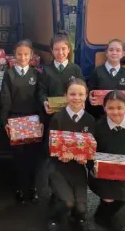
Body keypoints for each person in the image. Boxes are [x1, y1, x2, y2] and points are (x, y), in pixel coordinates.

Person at [88, 90, 125, 231]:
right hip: (102, 174)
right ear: (104, 108)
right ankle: (102, 217)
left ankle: (102, 215)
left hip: (124, 172)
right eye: (111, 108)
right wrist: (92, 167)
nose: (115, 112)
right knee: (109, 200)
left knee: (122, 199)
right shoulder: (99, 126)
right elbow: (90, 151)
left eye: (120, 108)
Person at [47, 78, 96, 231]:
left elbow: (91, 149)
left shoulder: (90, 120)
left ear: (86, 95)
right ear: (66, 96)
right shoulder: (58, 118)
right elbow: (49, 146)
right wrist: (59, 154)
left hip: (78, 169)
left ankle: (76, 215)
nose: (77, 98)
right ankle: (54, 216)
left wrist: (87, 161)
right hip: (59, 167)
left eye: (81, 94)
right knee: (68, 202)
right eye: (72, 94)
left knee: (81, 209)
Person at [1, 40, 42, 204]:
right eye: (19, 54)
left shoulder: (36, 74)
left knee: (33, 156)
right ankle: (19, 187)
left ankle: (32, 188)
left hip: (33, 119)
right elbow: (5, 99)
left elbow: (40, 98)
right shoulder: (9, 74)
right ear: (14, 55)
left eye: (26, 54)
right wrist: (5, 121)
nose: (23, 57)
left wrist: (41, 119)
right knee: (18, 157)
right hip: (15, 119)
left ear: (31, 56)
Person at [39, 30, 84, 118]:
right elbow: (41, 91)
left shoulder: (75, 69)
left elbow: (83, 90)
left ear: (69, 49)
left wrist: (82, 101)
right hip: (52, 115)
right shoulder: (46, 69)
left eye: (63, 49)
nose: (60, 53)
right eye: (56, 49)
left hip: (72, 113)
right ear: (52, 50)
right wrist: (44, 102)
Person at [87, 39, 125, 119]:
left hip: (119, 118)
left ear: (122, 54)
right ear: (106, 53)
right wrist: (90, 98)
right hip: (99, 117)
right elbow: (89, 93)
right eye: (111, 50)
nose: (114, 53)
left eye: (118, 50)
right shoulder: (97, 72)